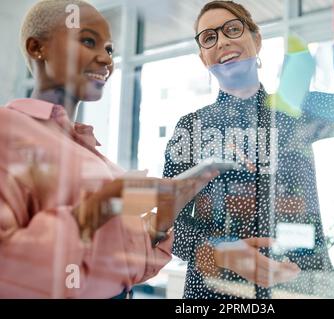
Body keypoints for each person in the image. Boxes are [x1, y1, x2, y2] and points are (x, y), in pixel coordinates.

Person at [0, 0, 215, 299]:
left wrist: (163, 219)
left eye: (111, 49)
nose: (106, 59)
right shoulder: (7, 128)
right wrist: (106, 202)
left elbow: (120, 268)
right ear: (38, 48)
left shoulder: (90, 152)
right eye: (88, 41)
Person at [163, 0, 334, 299]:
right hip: (214, 293)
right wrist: (220, 251)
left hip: (297, 284)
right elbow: (165, 220)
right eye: (209, 37)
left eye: (232, 29)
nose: (223, 40)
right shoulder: (191, 127)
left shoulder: (296, 110)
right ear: (203, 58)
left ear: (257, 39)